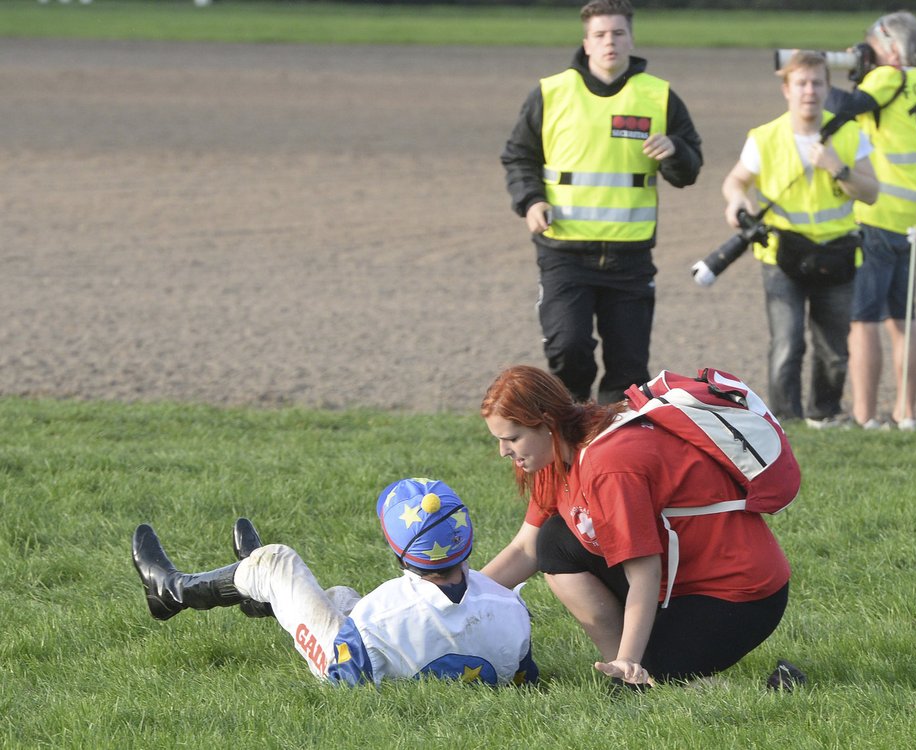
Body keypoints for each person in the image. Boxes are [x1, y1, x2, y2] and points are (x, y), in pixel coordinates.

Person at [479, 364, 801, 688]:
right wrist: (452, 598)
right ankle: (631, 669)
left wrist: (631, 661)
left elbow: (645, 572)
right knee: (554, 541)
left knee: (635, 688)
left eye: (512, 438)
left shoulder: (608, 464)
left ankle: (771, 688)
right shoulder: (556, 452)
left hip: (737, 595)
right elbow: (526, 548)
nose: (504, 451)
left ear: (547, 424)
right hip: (678, 582)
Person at [131, 478, 539, 688]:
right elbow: (523, 676)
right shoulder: (511, 606)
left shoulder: (385, 608)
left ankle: (170, 590)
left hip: (345, 664)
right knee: (341, 595)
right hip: (384, 647)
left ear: (399, 551)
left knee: (277, 561)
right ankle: (257, 591)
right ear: (466, 537)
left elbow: (350, 674)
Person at [500, 0, 702, 405]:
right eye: (600, 34)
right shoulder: (551, 93)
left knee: (628, 369)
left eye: (618, 33)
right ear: (586, 43)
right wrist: (531, 200)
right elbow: (519, 156)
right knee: (568, 347)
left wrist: (675, 150)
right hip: (564, 251)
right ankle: (570, 423)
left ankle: (613, 443)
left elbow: (690, 170)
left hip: (630, 257)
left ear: (631, 38)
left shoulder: (658, 96)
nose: (610, 42)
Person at [710, 50, 878, 427]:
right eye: (801, 83)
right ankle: (786, 422)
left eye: (817, 82)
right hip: (781, 256)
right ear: (786, 89)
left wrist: (838, 168)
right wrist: (736, 199)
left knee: (834, 351)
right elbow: (735, 180)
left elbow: (870, 192)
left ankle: (825, 415)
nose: (809, 91)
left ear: (827, 87)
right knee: (787, 344)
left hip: (836, 255)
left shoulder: (850, 134)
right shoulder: (765, 137)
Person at [826, 12, 916, 431]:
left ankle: (864, 416)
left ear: (893, 51)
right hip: (914, 218)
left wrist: (852, 76)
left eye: (874, 47)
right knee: (904, 320)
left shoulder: (889, 78)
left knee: (863, 321)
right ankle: (906, 413)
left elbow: (841, 110)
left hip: (876, 216)